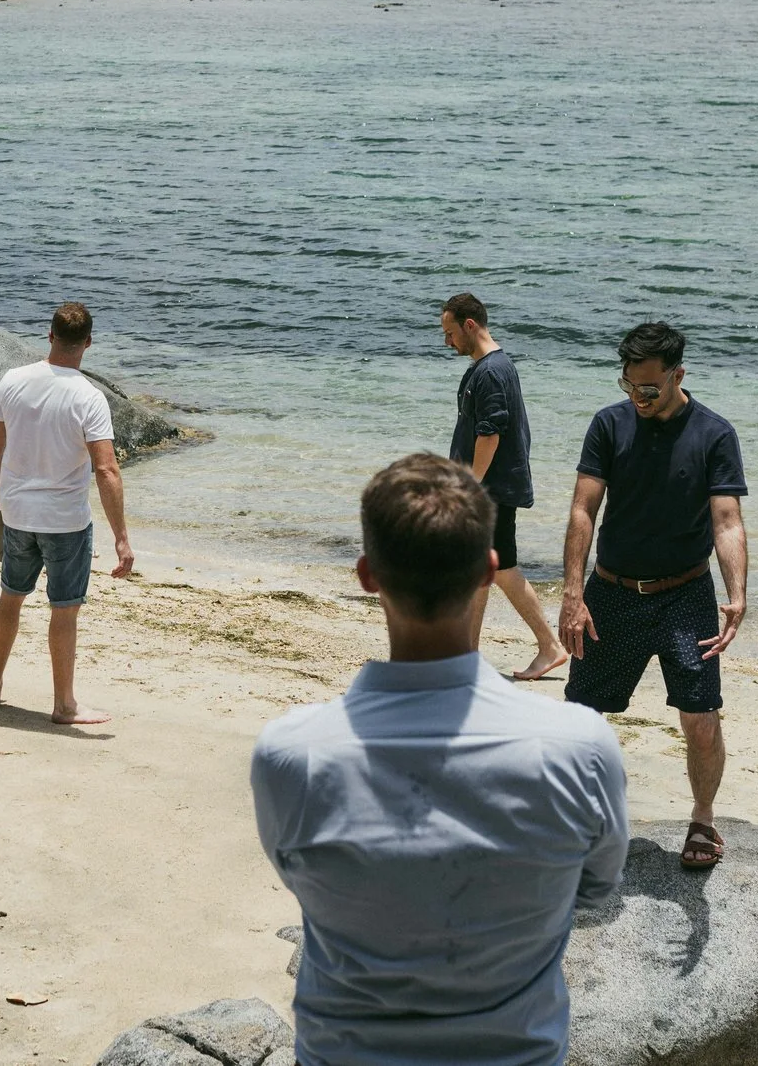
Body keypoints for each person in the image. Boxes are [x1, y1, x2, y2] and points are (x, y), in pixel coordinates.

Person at [251, 453, 628, 1066]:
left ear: (368, 574)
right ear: (487, 570)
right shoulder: (578, 748)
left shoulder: (294, 754)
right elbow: (593, 888)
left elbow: (301, 878)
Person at [556, 320, 748, 872]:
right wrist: (573, 592)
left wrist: (735, 593)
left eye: (648, 389)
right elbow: (582, 510)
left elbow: (728, 519)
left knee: (701, 715)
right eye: (628, 386)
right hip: (612, 591)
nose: (637, 399)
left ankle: (703, 819)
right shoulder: (609, 425)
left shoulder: (713, 433)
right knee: (582, 714)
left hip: (685, 595)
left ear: (677, 375)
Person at [0, 302, 134, 724]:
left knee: (11, 597)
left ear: (49, 336)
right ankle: (63, 704)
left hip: (18, 513)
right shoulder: (89, 397)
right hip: (65, 521)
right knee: (63, 608)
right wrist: (121, 536)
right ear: (88, 343)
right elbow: (106, 468)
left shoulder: (12, 380)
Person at [440, 292, 567, 681]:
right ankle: (468, 655)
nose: (447, 341)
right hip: (491, 487)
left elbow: (489, 434)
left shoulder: (491, 371)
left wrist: (472, 485)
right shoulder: (491, 366)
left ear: (470, 325)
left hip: (491, 490)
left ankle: (550, 646)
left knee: (502, 568)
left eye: (450, 333)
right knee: (484, 567)